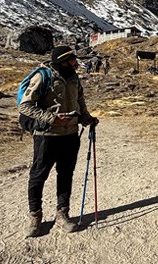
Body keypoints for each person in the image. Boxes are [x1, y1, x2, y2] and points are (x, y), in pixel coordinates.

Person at [18, 46, 99, 237]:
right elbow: (25, 106)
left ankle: (62, 215)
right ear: (62, 61)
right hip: (47, 136)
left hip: (70, 135)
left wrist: (86, 118)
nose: (75, 63)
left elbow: (80, 100)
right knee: (38, 176)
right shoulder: (43, 76)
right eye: (71, 60)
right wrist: (52, 118)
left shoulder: (73, 77)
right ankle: (35, 217)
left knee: (66, 174)